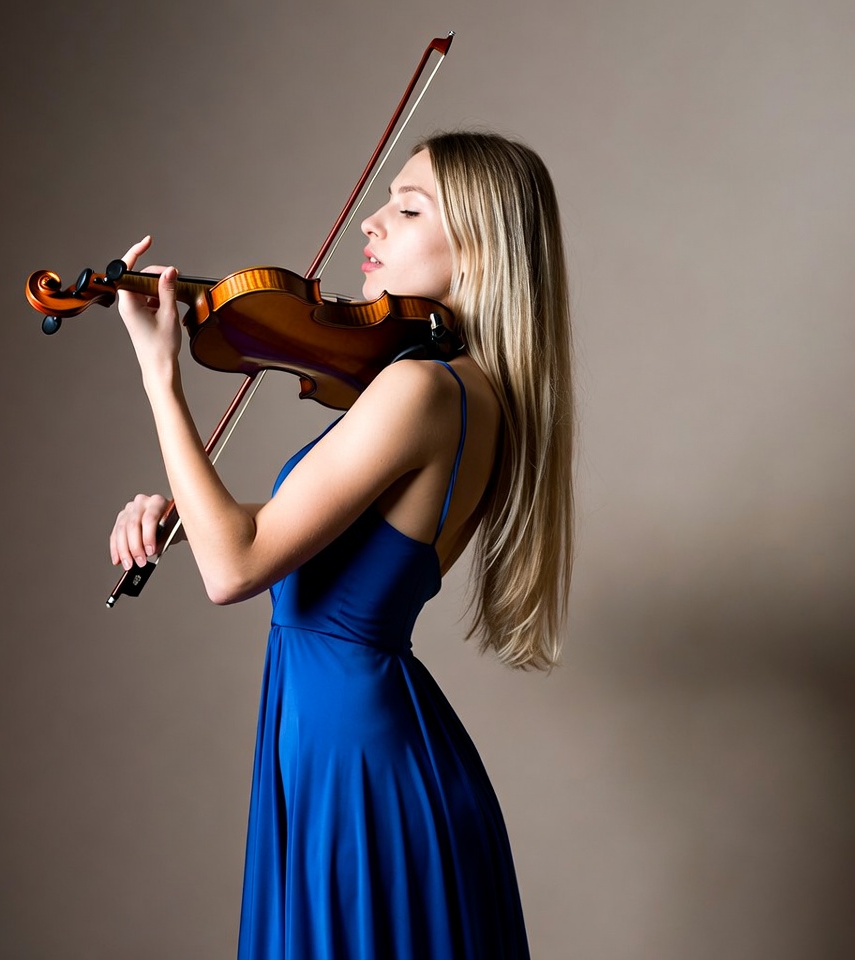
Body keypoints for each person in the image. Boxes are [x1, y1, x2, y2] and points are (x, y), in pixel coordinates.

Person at [110, 132, 574, 959]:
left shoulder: (420, 387)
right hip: (352, 737)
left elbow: (237, 569)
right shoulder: (471, 391)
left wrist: (160, 377)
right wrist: (186, 516)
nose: (370, 223)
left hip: (352, 760)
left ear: (479, 246)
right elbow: (321, 545)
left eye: (407, 207)